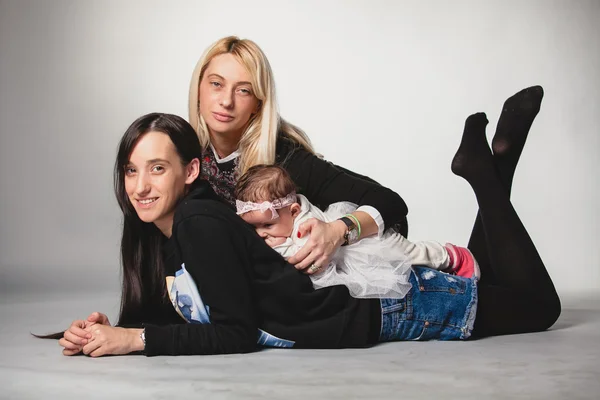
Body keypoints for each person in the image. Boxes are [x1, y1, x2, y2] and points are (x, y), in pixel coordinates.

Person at [52, 88, 560, 356]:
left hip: (391, 307)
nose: (140, 185)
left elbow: (236, 332)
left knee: (540, 308)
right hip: (376, 307)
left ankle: (485, 178)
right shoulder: (165, 233)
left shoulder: (198, 222)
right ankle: (498, 166)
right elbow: (196, 311)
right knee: (495, 281)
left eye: (156, 168)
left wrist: (136, 341)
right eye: (131, 170)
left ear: (190, 172)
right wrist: (112, 331)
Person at [188, 36, 410, 275]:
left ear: (258, 104)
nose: (226, 101)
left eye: (244, 90)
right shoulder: (187, 155)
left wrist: (336, 232)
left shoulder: (286, 160)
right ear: (199, 88)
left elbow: (391, 204)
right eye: (216, 84)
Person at [234, 164, 479, 299]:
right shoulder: (283, 223)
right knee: (410, 274)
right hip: (353, 264)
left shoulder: (303, 228)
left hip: (366, 242)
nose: (260, 234)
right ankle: (448, 279)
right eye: (252, 227)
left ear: (295, 211)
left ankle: (451, 256)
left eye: (267, 225)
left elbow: (299, 258)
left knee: (410, 254)